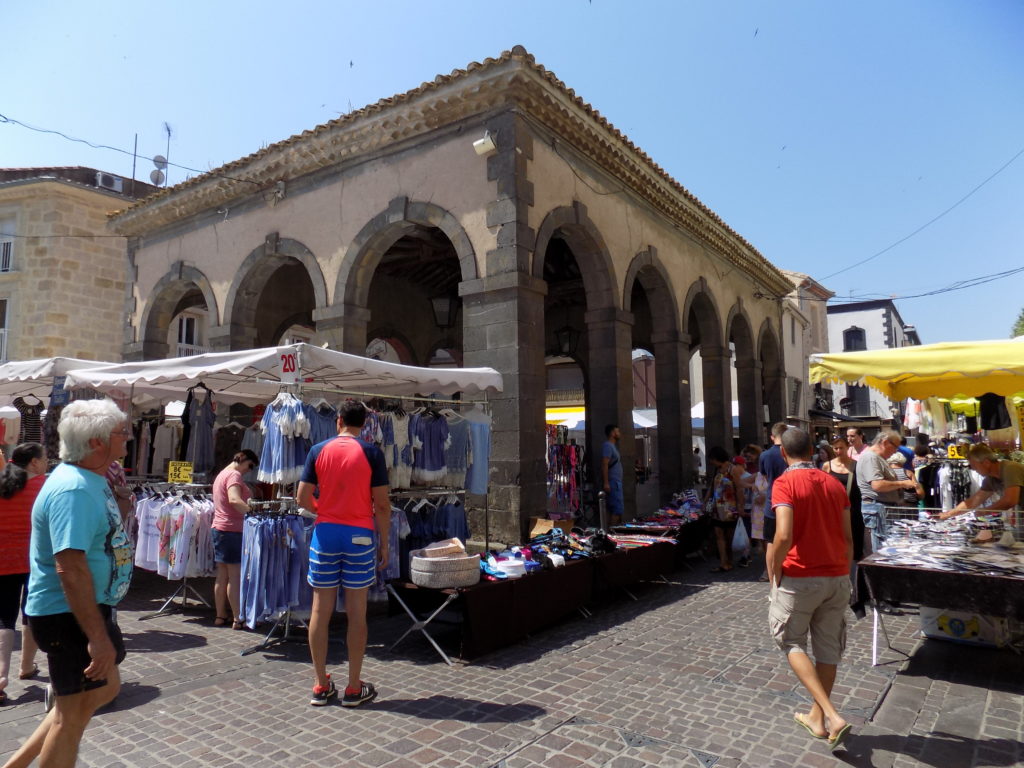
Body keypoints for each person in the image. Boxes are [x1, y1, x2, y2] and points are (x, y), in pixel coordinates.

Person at [5, 400, 133, 768]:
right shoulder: (73, 490)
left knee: (95, 694)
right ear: (96, 441)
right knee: (70, 718)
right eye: (121, 432)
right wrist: (97, 637)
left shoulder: (88, 480)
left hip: (81, 609)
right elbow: (70, 568)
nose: (128, 437)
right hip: (69, 614)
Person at [297, 401, 390, 708]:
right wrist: (385, 543)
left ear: (338, 421)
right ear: (363, 424)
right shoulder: (372, 453)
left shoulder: (318, 450)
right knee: (356, 613)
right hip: (360, 536)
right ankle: (353, 686)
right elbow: (383, 505)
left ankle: (321, 684)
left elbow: (302, 497)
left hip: (326, 534)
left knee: (320, 612)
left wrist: (323, 510)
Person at [768, 427, 854, 751]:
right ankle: (817, 719)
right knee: (828, 648)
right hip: (836, 575)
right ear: (813, 451)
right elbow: (848, 538)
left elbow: (784, 535)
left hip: (802, 576)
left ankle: (831, 714)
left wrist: (775, 569)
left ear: (783, 453)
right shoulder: (834, 484)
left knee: (790, 640)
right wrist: (844, 571)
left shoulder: (785, 483)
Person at [0, 443, 47, 706]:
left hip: (2, 559)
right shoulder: (43, 486)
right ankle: (26, 666)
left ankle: (0, 678)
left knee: (3, 618)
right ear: (34, 463)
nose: (47, 462)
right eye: (45, 458)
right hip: (34, 560)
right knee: (32, 612)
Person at [211, 449, 259, 629]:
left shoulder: (222, 474)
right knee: (234, 576)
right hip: (231, 530)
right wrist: (254, 512)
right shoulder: (234, 476)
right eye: (250, 466)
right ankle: (237, 617)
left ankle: (220, 615)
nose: (250, 470)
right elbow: (234, 499)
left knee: (222, 576)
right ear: (242, 459)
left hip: (220, 528)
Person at [855, 432, 917, 553]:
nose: (895, 451)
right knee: (880, 551)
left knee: (886, 548)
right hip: (877, 508)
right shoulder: (871, 457)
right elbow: (877, 485)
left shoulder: (878, 458)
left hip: (882, 509)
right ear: (885, 443)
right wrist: (903, 483)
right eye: (895, 447)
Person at [826, 436, 866, 616]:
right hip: (834, 512)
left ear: (847, 447)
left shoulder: (855, 465)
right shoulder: (827, 466)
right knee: (835, 545)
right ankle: (836, 581)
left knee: (854, 547)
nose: (838, 452)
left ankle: (853, 586)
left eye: (841, 448)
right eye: (835, 448)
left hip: (853, 511)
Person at [938, 444, 1024, 520]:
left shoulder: (1010, 469)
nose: (973, 469)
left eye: (974, 466)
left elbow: (1010, 501)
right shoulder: (991, 478)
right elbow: (973, 501)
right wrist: (948, 514)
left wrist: (984, 511)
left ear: (986, 463)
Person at [705, 446, 748, 572]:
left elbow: (739, 488)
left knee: (729, 536)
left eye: (712, 459)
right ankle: (723, 562)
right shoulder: (717, 470)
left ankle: (729, 561)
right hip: (717, 508)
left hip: (730, 508)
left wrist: (740, 506)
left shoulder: (732, 469)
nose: (711, 462)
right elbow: (712, 486)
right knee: (719, 534)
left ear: (717, 458)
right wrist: (705, 501)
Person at [758, 422, 789, 583]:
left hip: (772, 501)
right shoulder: (789, 453)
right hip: (790, 501)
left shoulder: (764, 455)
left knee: (770, 542)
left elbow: (763, 477)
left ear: (772, 437)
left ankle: (772, 580)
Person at [601, 424, 624, 526]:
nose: (619, 433)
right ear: (612, 433)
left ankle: (611, 532)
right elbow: (604, 464)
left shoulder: (613, 446)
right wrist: (606, 483)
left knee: (614, 509)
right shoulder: (608, 446)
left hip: (616, 482)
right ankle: (611, 534)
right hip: (613, 482)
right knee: (617, 510)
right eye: (617, 431)